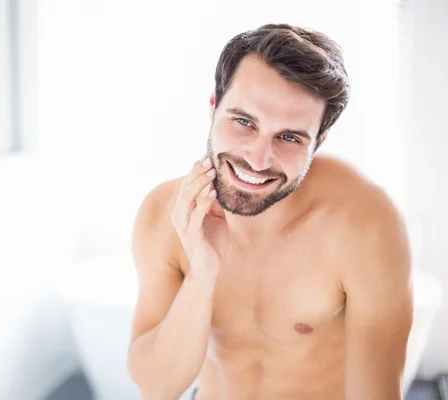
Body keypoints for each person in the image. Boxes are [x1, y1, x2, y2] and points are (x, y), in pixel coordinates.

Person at [126, 23, 413, 400]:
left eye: (290, 137)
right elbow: (157, 388)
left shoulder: (364, 225)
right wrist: (202, 274)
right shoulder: (162, 214)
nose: (257, 159)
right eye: (243, 121)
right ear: (214, 106)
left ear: (319, 141)